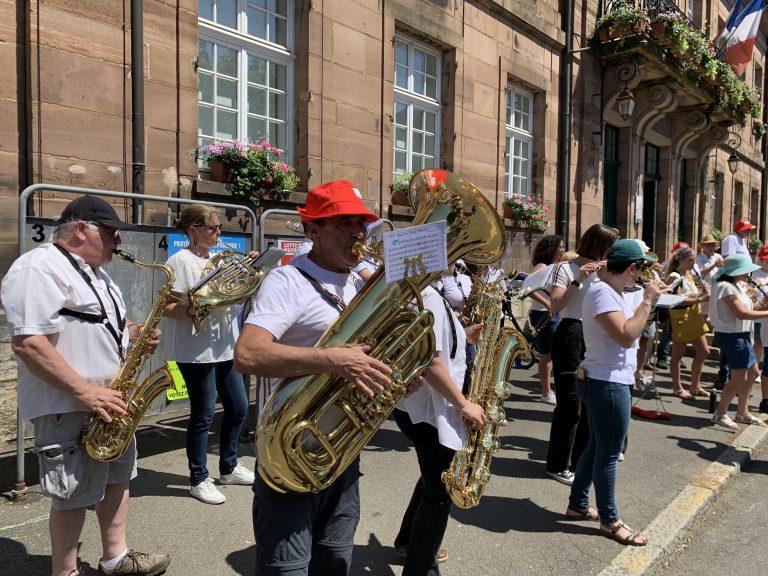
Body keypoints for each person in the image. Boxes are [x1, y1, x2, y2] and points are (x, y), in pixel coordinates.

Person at [1, 196, 170, 576]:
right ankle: (65, 571)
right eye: (111, 233)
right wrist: (85, 391)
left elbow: (104, 327)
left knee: (118, 478)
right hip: (69, 403)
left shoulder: (100, 275)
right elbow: (28, 342)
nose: (118, 242)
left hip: (111, 400)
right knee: (72, 495)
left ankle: (115, 557)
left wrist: (135, 334)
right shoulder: (38, 268)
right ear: (81, 229)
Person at [234, 180, 392, 576]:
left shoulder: (361, 282)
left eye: (361, 222)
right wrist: (334, 360)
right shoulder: (286, 282)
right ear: (313, 230)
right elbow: (248, 353)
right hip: (288, 453)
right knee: (286, 571)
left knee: (335, 563)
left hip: (341, 453)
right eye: (344, 223)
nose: (358, 232)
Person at [566, 239, 663, 546]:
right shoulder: (601, 292)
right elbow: (625, 335)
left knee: (596, 446)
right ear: (631, 268)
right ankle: (610, 520)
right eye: (640, 269)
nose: (641, 276)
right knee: (609, 453)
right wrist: (648, 302)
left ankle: (578, 504)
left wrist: (650, 301)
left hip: (606, 379)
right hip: (606, 382)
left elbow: (626, 324)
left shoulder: (611, 290)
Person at [392, 275, 486, 576]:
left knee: (432, 477)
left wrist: (464, 334)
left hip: (420, 407)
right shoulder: (428, 296)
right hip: (430, 409)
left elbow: (434, 345)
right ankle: (420, 568)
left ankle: (408, 541)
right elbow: (429, 360)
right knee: (439, 492)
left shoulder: (422, 292)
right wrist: (463, 404)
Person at [162, 205, 254, 504]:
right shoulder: (179, 261)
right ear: (193, 230)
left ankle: (228, 467)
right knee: (202, 415)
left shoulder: (218, 259)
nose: (218, 233)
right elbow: (167, 308)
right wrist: (197, 307)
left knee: (239, 407)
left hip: (226, 344)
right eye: (212, 228)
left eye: (218, 228)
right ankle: (198, 478)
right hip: (196, 349)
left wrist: (248, 270)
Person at [546, 223, 620, 485]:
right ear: (599, 245)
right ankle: (557, 464)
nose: (613, 253)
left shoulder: (606, 269)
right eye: (611, 247)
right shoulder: (564, 268)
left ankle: (580, 461)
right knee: (569, 403)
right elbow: (555, 306)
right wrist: (580, 279)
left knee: (590, 400)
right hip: (571, 332)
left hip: (595, 334)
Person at [710, 254, 768, 429]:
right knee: (738, 378)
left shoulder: (735, 286)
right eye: (745, 271)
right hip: (732, 335)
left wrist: (763, 303)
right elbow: (741, 314)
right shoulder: (725, 287)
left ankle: (742, 412)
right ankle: (720, 414)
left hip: (741, 335)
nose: (748, 275)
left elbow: (750, 309)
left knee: (753, 373)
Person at [662, 247, 711, 399]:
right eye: (690, 260)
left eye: (693, 260)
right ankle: (678, 388)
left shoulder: (688, 274)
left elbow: (692, 294)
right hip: (681, 317)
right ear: (680, 260)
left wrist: (704, 292)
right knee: (677, 354)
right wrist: (701, 299)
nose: (693, 263)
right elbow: (676, 301)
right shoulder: (675, 276)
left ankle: (695, 386)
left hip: (693, 315)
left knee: (704, 351)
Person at [527, 235, 564, 405]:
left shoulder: (554, 266)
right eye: (560, 247)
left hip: (552, 313)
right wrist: (548, 303)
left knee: (553, 354)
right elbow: (528, 288)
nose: (562, 250)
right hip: (543, 313)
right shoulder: (541, 266)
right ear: (552, 249)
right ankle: (546, 391)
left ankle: (549, 389)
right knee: (546, 355)